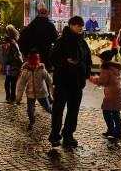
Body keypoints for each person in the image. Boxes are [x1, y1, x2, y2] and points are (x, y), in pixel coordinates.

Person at [48, 15, 92, 147]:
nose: (81, 28)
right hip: (63, 80)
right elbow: (53, 59)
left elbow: (88, 59)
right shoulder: (61, 41)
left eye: (82, 26)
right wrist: (65, 62)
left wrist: (85, 73)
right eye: (79, 26)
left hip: (77, 82)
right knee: (58, 109)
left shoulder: (82, 42)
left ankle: (68, 135)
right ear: (71, 26)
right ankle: (55, 135)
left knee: (73, 110)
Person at [90, 48, 121, 139]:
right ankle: (119, 132)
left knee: (106, 111)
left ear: (104, 59)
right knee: (116, 113)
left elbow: (102, 81)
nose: (100, 59)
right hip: (118, 90)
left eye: (101, 58)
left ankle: (111, 130)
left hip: (111, 92)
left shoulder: (105, 68)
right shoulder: (116, 67)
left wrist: (93, 79)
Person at [15, 49, 53, 130]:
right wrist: (18, 98)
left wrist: (52, 90)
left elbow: (49, 80)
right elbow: (21, 85)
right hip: (30, 94)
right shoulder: (25, 72)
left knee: (48, 108)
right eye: (31, 64)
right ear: (28, 64)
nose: (33, 66)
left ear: (38, 63)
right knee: (30, 110)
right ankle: (32, 121)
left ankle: (56, 116)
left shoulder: (42, 70)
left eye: (35, 64)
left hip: (42, 93)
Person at [18, 2, 58, 72]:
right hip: (45, 57)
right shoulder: (50, 26)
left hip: (32, 57)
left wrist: (27, 53)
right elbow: (56, 40)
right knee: (44, 77)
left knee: (33, 78)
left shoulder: (31, 26)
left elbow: (21, 40)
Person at [2, 25, 23, 102]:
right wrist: (21, 63)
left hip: (7, 64)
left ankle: (7, 95)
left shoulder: (5, 41)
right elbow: (17, 55)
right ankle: (13, 96)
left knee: (7, 80)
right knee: (14, 81)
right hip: (14, 65)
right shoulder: (14, 43)